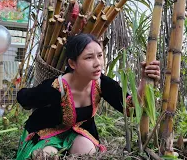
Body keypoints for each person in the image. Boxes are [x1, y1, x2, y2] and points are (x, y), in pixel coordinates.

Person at [16, 33, 160, 159]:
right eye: (89, 58)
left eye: (100, 55)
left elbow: (130, 109)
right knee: (47, 156)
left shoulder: (102, 83)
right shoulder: (55, 87)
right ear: (72, 63)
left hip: (78, 134)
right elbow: (24, 98)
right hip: (46, 134)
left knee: (87, 152)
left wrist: (144, 80)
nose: (97, 63)